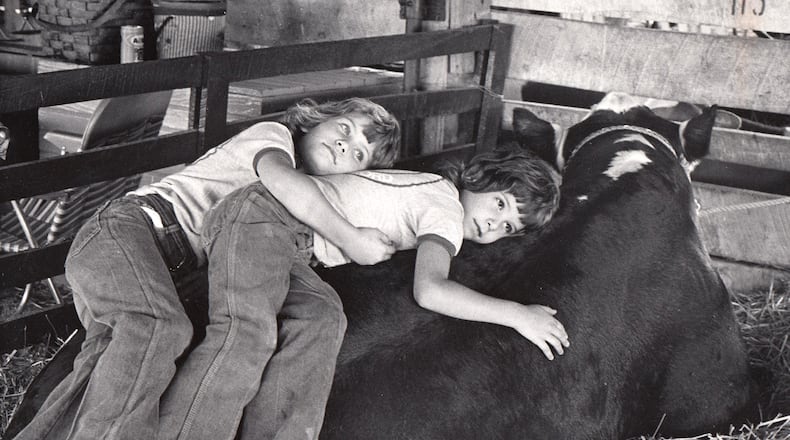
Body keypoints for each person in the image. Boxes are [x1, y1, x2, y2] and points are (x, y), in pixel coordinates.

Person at [14, 97, 401, 440]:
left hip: (170, 272)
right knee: (156, 327)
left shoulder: (308, 207)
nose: (343, 144)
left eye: (357, 153)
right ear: (316, 120)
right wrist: (351, 237)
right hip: (131, 232)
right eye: (344, 130)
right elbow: (284, 183)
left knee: (114, 359)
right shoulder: (274, 140)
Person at [158, 147, 568, 440]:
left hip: (289, 242)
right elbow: (431, 290)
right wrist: (517, 315)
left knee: (323, 319)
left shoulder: (431, 191)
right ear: (479, 179)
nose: (494, 226)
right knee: (247, 331)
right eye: (499, 204)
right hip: (266, 216)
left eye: (509, 227)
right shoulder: (444, 208)